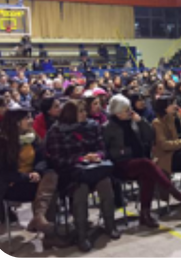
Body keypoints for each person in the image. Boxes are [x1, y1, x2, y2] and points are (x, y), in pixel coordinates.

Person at [43, 100, 120, 252]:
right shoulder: (56, 131)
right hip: (71, 172)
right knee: (81, 190)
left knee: (106, 185)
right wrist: (81, 159)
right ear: (71, 114)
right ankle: (81, 234)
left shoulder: (93, 126)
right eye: (80, 111)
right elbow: (57, 159)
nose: (85, 113)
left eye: (85, 110)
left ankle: (110, 225)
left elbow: (102, 149)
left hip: (94, 169)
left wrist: (97, 155)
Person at [0, 106, 69, 248]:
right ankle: (44, 229)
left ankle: (39, 220)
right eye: (27, 118)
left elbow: (42, 159)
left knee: (51, 175)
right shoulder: (3, 141)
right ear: (16, 122)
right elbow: (2, 171)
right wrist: (26, 176)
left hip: (34, 180)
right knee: (50, 191)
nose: (31, 120)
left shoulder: (32, 136)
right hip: (13, 184)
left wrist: (37, 172)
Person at [104, 95, 181, 226]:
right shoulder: (108, 127)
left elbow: (150, 136)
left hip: (139, 161)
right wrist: (125, 152)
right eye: (127, 110)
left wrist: (141, 121)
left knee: (147, 174)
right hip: (120, 164)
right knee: (146, 164)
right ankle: (172, 190)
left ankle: (145, 214)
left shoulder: (133, 121)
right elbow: (107, 151)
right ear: (118, 113)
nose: (130, 112)